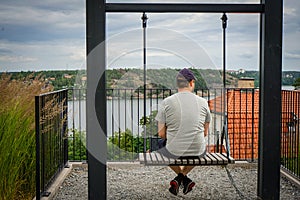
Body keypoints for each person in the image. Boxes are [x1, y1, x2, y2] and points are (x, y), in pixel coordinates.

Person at [155, 68, 211, 196]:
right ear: (191, 82)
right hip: (198, 151)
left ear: (177, 84)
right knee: (199, 145)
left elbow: (162, 134)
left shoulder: (167, 102)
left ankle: (180, 178)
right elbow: (205, 133)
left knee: (160, 144)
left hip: (174, 151)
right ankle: (183, 178)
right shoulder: (203, 102)